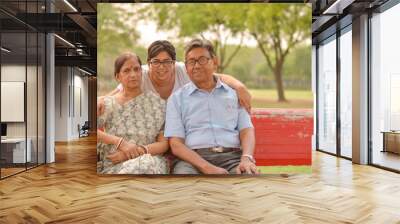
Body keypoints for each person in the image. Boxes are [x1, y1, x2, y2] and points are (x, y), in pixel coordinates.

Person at [164, 39, 258, 175]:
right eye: (191, 62)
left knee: (249, 182)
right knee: (183, 184)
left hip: (232, 158)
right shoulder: (177, 99)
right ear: (186, 68)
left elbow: (247, 130)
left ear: (214, 62)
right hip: (193, 161)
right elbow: (176, 145)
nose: (196, 66)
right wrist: (207, 168)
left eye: (202, 59)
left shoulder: (233, 95)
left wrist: (246, 158)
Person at [106, 40, 252, 113]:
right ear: (148, 63)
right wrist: (102, 101)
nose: (161, 67)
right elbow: (119, 92)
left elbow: (216, 76)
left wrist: (239, 86)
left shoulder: (183, 70)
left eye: (167, 62)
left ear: (174, 62)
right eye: (156, 62)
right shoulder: (140, 74)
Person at [97, 52, 169, 174]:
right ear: (117, 77)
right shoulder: (106, 104)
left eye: (136, 69)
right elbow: (89, 131)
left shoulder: (158, 104)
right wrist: (118, 142)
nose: (133, 74)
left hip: (148, 160)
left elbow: (164, 144)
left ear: (142, 72)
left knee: (145, 166)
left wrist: (136, 152)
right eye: (126, 71)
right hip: (113, 163)